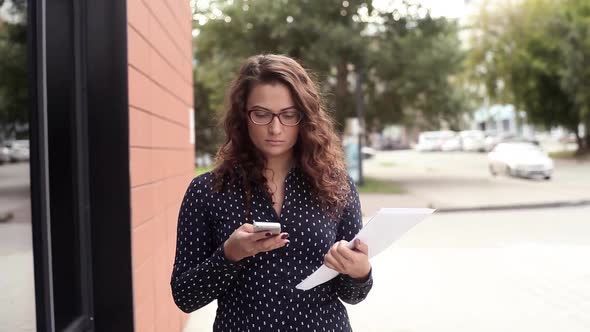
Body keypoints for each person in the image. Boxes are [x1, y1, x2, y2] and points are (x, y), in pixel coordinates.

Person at [171, 54, 373, 331]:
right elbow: (185, 297)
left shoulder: (337, 185)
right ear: (243, 116)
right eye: (261, 114)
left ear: (305, 118)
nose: (275, 128)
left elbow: (353, 295)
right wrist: (229, 255)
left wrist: (360, 272)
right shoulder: (207, 191)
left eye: (289, 115)